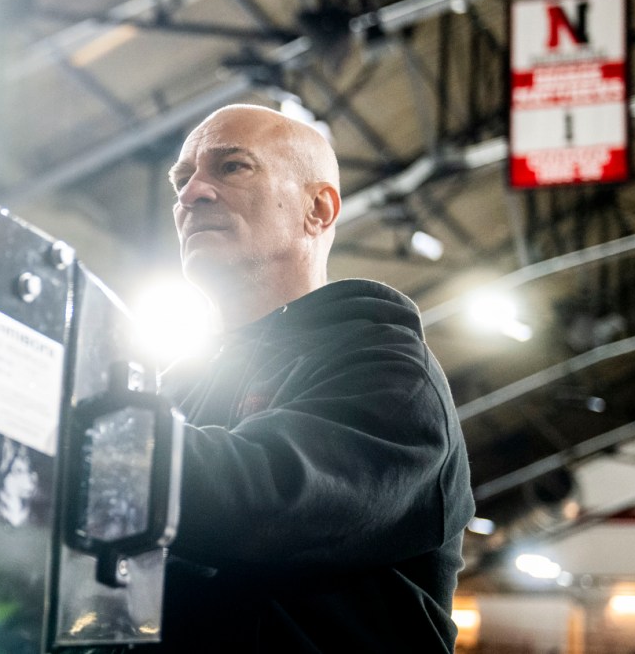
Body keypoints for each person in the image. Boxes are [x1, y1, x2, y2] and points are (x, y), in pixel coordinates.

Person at [152, 104, 474, 652]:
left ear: (318, 208)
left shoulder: (390, 369)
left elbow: (264, 502)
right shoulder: (179, 387)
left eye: (231, 167)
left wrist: (94, 439)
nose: (191, 194)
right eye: (183, 179)